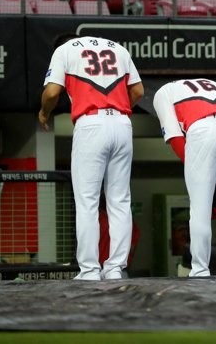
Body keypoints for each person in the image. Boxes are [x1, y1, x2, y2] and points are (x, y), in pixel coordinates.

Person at [38, 33, 144, 280]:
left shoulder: (64, 50)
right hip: (122, 123)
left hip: (91, 123)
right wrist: (117, 110)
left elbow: (52, 93)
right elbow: (138, 91)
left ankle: (89, 270)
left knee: (88, 201)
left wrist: (44, 113)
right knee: (119, 200)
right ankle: (116, 268)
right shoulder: (117, 46)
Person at [153, 78, 216, 277]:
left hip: (201, 127)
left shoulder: (163, 91)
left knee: (200, 208)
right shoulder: (211, 82)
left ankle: (200, 270)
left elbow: (175, 137)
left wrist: (202, 179)